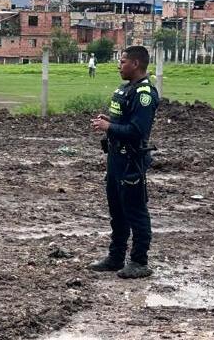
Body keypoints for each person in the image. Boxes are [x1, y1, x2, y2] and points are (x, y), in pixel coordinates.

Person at [88, 45, 158, 279]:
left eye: (124, 61)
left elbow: (137, 130)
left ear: (136, 64)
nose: (119, 65)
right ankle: (115, 257)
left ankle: (139, 261)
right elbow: (124, 121)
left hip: (131, 161)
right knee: (117, 211)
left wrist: (110, 127)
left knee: (135, 212)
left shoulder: (144, 94)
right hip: (116, 158)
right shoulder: (127, 89)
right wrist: (110, 121)